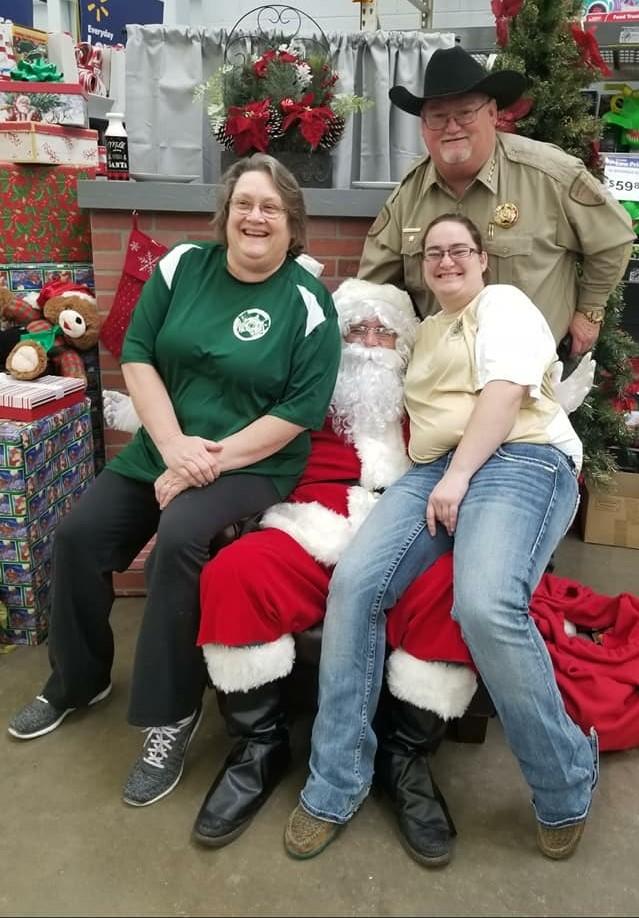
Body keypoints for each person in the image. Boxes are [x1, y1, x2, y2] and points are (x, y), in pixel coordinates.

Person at [7, 154, 342, 817]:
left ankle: (170, 715)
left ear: (291, 225)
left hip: (250, 461)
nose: (254, 217)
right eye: (244, 203)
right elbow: (136, 356)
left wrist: (204, 463)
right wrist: (173, 449)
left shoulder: (308, 305)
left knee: (180, 541)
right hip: (167, 446)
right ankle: (78, 680)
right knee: (77, 537)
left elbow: (296, 415)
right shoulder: (181, 265)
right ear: (225, 212)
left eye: (270, 208)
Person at [284, 214, 599, 866]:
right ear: (422, 267)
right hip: (434, 470)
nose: (447, 260)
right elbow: (358, 368)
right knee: (355, 584)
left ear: (483, 259)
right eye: (434, 253)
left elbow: (507, 392)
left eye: (459, 249)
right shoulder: (422, 333)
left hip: (520, 460)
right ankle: (334, 783)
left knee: (484, 604)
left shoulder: (502, 303)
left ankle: (564, 779)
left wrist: (456, 478)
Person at [358, 44, 634, 356]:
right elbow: (373, 289)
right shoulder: (407, 195)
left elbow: (613, 238)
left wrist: (590, 311)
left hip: (531, 378)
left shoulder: (549, 175)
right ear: (423, 128)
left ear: (492, 115)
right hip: (439, 381)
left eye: (465, 113)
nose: (451, 127)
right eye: (438, 117)